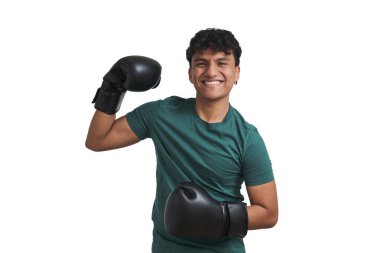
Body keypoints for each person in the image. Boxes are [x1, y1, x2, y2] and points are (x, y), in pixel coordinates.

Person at [86, 28, 278, 253]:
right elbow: (98, 140)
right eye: (201, 63)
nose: (211, 71)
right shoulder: (161, 114)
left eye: (222, 63)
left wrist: (218, 216)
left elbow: (268, 213)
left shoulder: (247, 138)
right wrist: (112, 88)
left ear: (237, 73)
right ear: (190, 73)